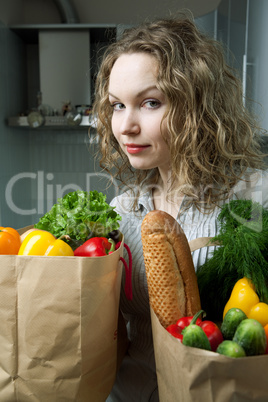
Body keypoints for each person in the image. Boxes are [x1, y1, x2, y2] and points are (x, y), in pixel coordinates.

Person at [92, 12, 268, 402]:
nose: (126, 126)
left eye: (150, 102)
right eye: (117, 105)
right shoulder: (121, 211)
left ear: (197, 106)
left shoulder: (255, 200)